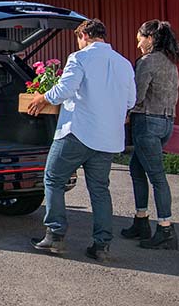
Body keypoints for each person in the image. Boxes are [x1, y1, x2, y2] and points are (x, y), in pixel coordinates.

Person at [26, 19, 136, 262]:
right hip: (108, 138)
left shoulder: (80, 58)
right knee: (100, 190)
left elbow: (64, 90)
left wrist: (42, 97)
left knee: (53, 178)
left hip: (78, 132)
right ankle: (102, 245)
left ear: (84, 35)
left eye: (78, 39)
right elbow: (130, 101)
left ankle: (55, 235)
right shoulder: (124, 63)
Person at [120, 20, 179, 250]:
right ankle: (141, 221)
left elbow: (136, 96)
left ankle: (166, 229)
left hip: (147, 122)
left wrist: (123, 111)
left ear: (151, 38)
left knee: (157, 177)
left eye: (140, 40)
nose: (138, 45)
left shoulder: (147, 62)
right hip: (166, 122)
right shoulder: (170, 62)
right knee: (136, 169)